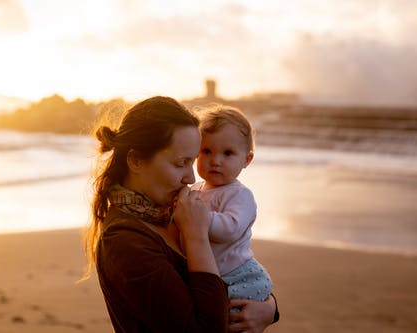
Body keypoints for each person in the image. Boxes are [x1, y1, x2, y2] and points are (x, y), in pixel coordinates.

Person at [83, 96, 278, 333]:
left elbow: (230, 270)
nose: (191, 178)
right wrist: (196, 235)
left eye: (192, 161)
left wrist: (269, 308)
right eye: (180, 163)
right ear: (135, 160)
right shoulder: (125, 241)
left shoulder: (165, 212)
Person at [192, 104, 274, 307]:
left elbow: (230, 228)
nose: (215, 161)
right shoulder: (195, 189)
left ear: (247, 160)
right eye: (206, 151)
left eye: (227, 153)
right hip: (210, 270)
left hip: (237, 272)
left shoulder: (240, 195)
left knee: (235, 310)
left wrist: (199, 216)